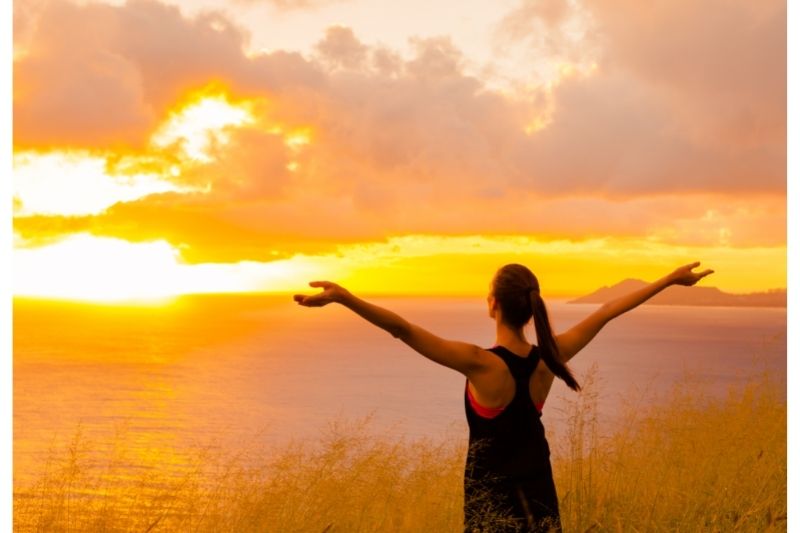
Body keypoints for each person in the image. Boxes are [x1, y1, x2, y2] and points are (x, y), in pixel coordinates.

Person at [293, 260, 714, 532]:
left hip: (489, 499)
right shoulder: (550, 356)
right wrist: (669, 280)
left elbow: (403, 330)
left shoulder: (480, 363)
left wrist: (347, 298)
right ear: (531, 308)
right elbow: (606, 311)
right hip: (539, 489)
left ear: (492, 304)